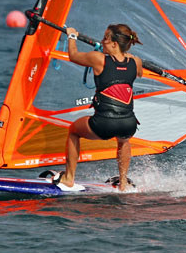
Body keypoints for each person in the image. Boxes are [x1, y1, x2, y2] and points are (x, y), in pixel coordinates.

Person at [52, 23, 143, 192]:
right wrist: (120, 55)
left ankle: (68, 178)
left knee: (73, 130)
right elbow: (139, 73)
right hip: (129, 123)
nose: (102, 41)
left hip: (104, 123)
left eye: (105, 39)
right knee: (123, 140)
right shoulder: (136, 62)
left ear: (115, 44)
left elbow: (73, 56)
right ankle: (123, 183)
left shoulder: (98, 58)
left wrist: (72, 36)